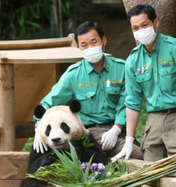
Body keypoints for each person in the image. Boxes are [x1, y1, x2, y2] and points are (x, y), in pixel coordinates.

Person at [112, 4, 176, 179]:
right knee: (150, 177)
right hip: (153, 123)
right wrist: (129, 140)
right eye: (135, 28)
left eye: (144, 25)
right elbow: (132, 102)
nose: (141, 31)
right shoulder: (132, 60)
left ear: (156, 23)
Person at [33, 21, 142, 159]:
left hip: (118, 130)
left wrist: (116, 129)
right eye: (84, 45)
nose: (90, 48)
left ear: (104, 40)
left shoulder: (122, 68)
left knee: (142, 151)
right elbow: (48, 103)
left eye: (94, 42)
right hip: (89, 132)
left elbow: (127, 102)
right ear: (78, 46)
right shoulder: (73, 74)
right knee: (137, 155)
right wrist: (38, 127)